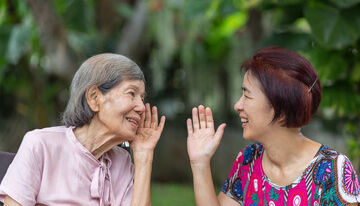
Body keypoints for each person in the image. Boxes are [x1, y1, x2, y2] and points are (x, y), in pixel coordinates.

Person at [186, 47, 360, 206]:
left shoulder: (331, 170)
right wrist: (200, 163)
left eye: (247, 95)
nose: (237, 105)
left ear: (280, 107)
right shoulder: (248, 160)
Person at [0, 53, 165, 205]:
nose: (141, 107)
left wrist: (144, 155)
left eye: (142, 98)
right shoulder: (41, 145)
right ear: (94, 97)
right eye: (131, 93)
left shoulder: (122, 163)